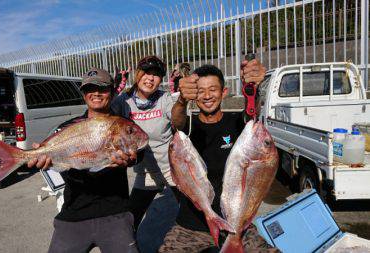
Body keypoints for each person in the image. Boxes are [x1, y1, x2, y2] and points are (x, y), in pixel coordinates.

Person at [159, 61, 279, 253]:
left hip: (236, 224)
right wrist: (182, 100)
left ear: (224, 92)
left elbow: (251, 116)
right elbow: (177, 121)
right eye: (200, 91)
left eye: (213, 89)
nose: (207, 96)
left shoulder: (238, 125)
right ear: (193, 95)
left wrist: (254, 90)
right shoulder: (187, 129)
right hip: (191, 226)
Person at [27, 68, 139, 253]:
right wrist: (45, 160)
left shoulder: (123, 124)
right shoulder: (66, 128)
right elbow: (58, 163)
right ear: (84, 94)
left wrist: (131, 159)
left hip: (115, 213)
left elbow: (138, 151)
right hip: (74, 212)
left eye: (102, 88)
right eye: (90, 88)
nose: (96, 93)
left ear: (111, 92)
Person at [111, 55, 177, 231]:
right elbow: (104, 119)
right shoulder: (123, 101)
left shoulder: (166, 99)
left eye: (156, 75)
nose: (150, 78)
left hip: (172, 169)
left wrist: (183, 102)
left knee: (195, 212)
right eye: (146, 72)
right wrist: (113, 92)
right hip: (146, 173)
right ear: (138, 73)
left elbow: (180, 122)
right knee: (129, 222)